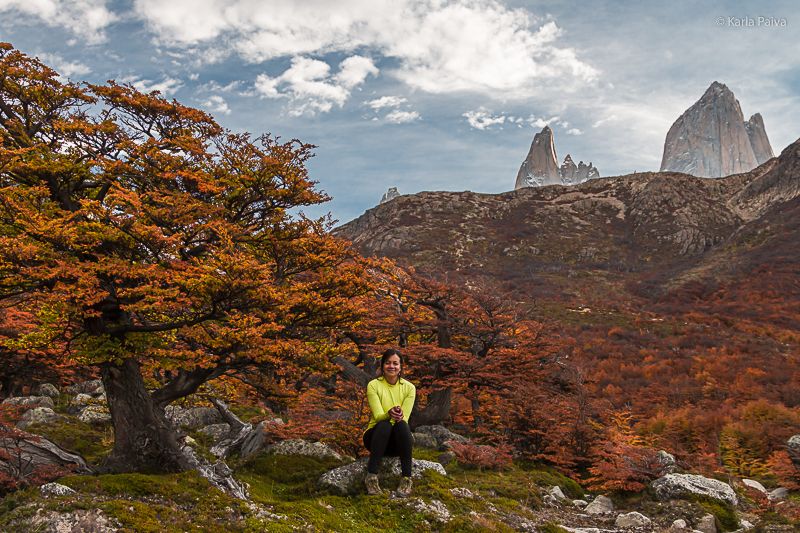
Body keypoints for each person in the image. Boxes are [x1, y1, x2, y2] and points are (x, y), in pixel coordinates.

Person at [363, 348, 416, 496]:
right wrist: (389, 414)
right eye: (388, 363)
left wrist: (398, 416)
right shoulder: (373, 385)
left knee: (402, 425)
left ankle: (406, 479)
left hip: (397, 442)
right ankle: (371, 477)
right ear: (382, 366)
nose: (391, 366)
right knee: (385, 424)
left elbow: (404, 419)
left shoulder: (410, 388)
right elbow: (378, 415)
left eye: (395, 363)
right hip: (375, 437)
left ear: (400, 367)